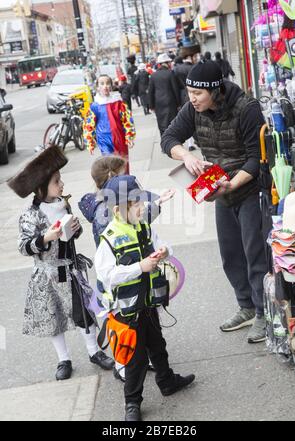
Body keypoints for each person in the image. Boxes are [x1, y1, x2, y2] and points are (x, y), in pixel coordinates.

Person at [161, 61, 268, 343]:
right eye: (189, 92)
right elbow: (168, 138)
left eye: (197, 93)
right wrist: (186, 156)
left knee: (254, 254)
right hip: (220, 189)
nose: (192, 99)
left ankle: (263, 313)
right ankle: (245, 306)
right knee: (231, 255)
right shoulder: (192, 110)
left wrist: (232, 184)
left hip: (248, 188)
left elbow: (257, 158)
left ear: (214, 90)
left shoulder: (247, 108)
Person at [7, 146, 114, 381]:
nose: (62, 185)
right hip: (47, 274)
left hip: (71, 269)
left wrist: (75, 229)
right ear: (40, 188)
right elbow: (23, 246)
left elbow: (72, 234)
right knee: (53, 318)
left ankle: (94, 352)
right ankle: (63, 359)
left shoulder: (63, 204)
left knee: (84, 313)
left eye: (61, 180)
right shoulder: (31, 215)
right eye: (57, 181)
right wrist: (46, 237)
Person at [95, 175, 195, 421]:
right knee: (135, 358)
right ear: (119, 210)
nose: (142, 208)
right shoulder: (109, 238)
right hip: (127, 312)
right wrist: (140, 267)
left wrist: (164, 251)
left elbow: (164, 245)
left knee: (158, 346)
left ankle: (167, 381)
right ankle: (132, 403)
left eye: (142, 202)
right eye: (136, 204)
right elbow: (107, 275)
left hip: (148, 304)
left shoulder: (144, 227)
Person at [83, 74, 135, 172]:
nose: (105, 86)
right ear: (98, 87)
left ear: (111, 86)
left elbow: (127, 120)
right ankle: (114, 185)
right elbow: (89, 125)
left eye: (107, 83)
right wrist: (90, 142)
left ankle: (124, 186)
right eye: (102, 84)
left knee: (123, 164)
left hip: (120, 138)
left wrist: (129, 136)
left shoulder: (118, 103)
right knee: (109, 165)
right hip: (104, 139)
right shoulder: (95, 106)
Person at [148, 53, 181, 136]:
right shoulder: (171, 73)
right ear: (167, 63)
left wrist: (151, 106)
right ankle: (173, 141)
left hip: (158, 102)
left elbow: (150, 92)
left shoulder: (153, 75)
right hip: (171, 101)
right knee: (172, 123)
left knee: (161, 123)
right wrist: (178, 103)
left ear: (159, 64)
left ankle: (164, 142)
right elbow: (175, 89)